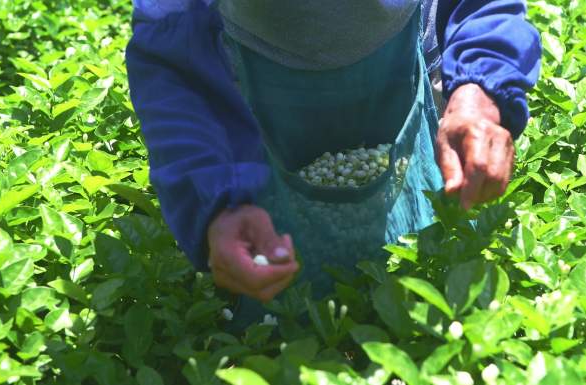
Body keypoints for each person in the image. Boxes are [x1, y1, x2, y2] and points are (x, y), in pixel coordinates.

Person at [125, 0, 541, 307]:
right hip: (253, 85)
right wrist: (216, 200)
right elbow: (172, 54)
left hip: (402, 63)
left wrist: (478, 90)